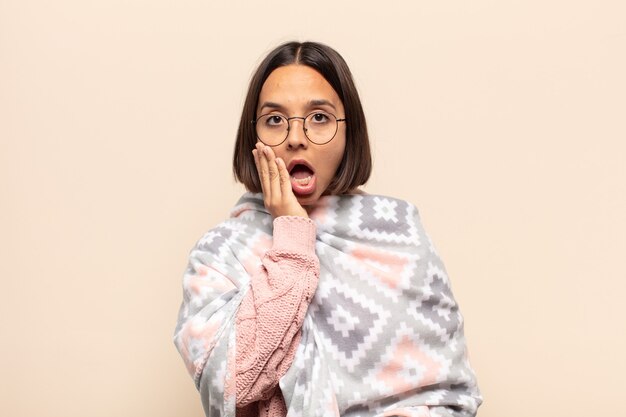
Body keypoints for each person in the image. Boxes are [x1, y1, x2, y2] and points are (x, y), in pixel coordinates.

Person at [173, 41, 483, 417]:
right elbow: (236, 385)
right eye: (275, 120)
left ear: (348, 133)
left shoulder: (399, 233)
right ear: (252, 138)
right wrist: (291, 237)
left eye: (319, 117)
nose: (296, 138)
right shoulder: (219, 254)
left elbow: (450, 392)